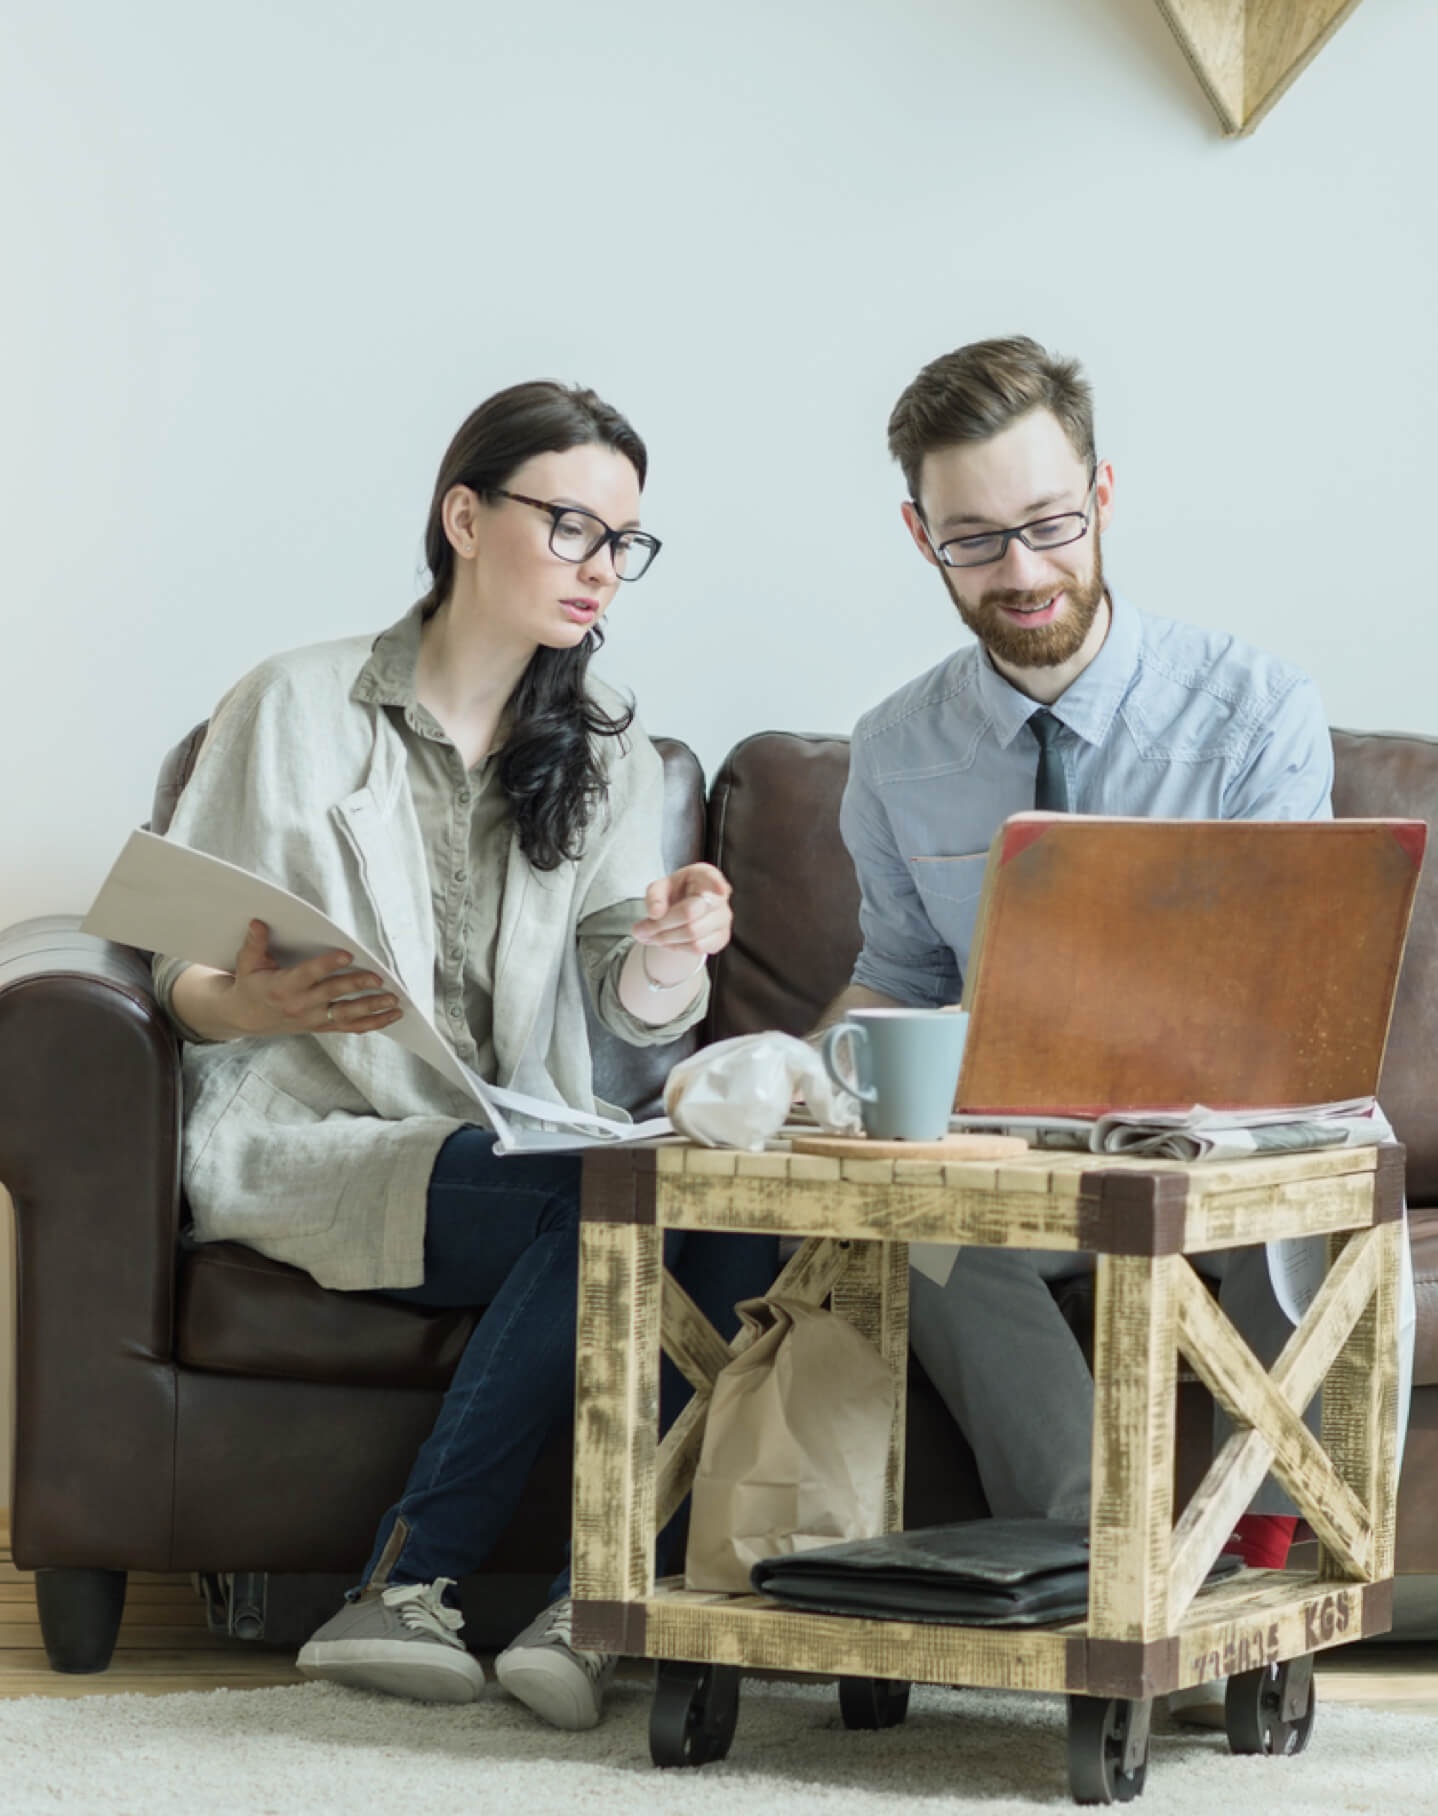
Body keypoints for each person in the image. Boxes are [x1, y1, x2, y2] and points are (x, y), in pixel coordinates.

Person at [152, 381, 777, 1730]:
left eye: (623, 541)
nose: (601, 567)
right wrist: (255, 1005)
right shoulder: (292, 705)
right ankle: (409, 1577)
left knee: (732, 1215)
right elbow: (180, 973)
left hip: (518, 1133)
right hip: (315, 1133)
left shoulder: (600, 738)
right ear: (461, 517)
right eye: (568, 526)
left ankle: (587, 1602)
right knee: (604, 1199)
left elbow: (629, 1007)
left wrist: (672, 947)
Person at [816, 336, 1349, 1708]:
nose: (1022, 574)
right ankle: (1092, 1562)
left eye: (1048, 525)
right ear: (917, 536)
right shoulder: (892, 749)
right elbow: (890, 975)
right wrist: (810, 1073)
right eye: (975, 541)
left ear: (1102, 493)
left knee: (1282, 1186)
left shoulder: (1250, 710)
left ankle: (1254, 1534)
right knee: (912, 1226)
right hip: (1008, 1166)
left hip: (1209, 1137)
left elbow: (1278, 1006)